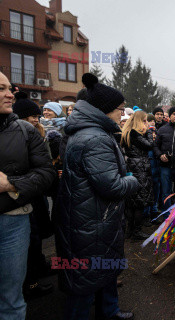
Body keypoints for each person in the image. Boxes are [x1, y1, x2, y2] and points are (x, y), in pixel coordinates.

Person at [55, 73, 139, 320]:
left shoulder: (91, 132)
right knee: (86, 279)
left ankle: (109, 310)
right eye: (120, 110)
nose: (122, 115)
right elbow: (111, 186)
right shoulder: (95, 138)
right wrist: (133, 179)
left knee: (103, 269)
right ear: (104, 110)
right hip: (89, 221)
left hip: (95, 217)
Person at [0, 71, 56, 318]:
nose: (10, 93)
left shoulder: (25, 131)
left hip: (13, 221)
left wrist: (11, 184)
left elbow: (46, 174)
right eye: (1, 88)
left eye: (9, 88)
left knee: (11, 298)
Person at [12, 93, 55, 298]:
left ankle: (39, 268)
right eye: (31, 116)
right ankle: (30, 284)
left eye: (37, 116)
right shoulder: (16, 137)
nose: (36, 119)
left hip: (35, 195)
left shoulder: (37, 132)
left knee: (36, 237)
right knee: (28, 241)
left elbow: (43, 166)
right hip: (23, 197)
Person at [121, 111, 154, 240]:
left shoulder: (127, 132)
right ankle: (137, 231)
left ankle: (130, 230)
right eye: (144, 120)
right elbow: (149, 145)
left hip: (132, 166)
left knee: (131, 202)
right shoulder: (135, 133)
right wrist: (150, 132)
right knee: (139, 202)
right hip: (139, 168)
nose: (146, 123)